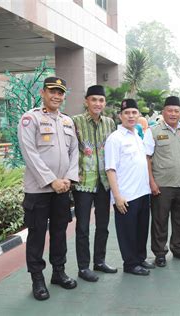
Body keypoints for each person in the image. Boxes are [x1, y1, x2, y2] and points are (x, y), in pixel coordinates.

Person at [18, 77, 79, 301]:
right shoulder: (30, 118)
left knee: (60, 232)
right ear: (43, 92)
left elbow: (75, 152)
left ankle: (58, 272)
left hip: (62, 189)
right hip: (38, 190)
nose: (57, 96)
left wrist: (69, 179)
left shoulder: (67, 121)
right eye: (52, 91)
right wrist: (51, 180)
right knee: (36, 235)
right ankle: (37, 278)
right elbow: (29, 153)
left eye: (60, 93)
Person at [72, 85, 117, 283]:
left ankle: (99, 261)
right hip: (84, 182)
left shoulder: (110, 123)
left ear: (104, 103)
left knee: (103, 225)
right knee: (82, 227)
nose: (97, 103)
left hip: (104, 182)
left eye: (101, 100)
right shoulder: (75, 122)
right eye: (93, 100)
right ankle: (83, 267)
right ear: (86, 101)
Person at [105, 99, 154, 276]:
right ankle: (130, 264)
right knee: (128, 233)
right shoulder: (114, 139)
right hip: (126, 196)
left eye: (134, 112)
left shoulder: (137, 136)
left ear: (138, 115)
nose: (131, 116)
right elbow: (110, 169)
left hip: (142, 192)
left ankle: (140, 258)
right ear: (120, 116)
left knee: (141, 230)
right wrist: (117, 196)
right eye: (127, 113)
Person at [144, 96, 180, 267]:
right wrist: (151, 182)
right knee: (160, 220)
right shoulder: (153, 131)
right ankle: (159, 252)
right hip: (162, 185)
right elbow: (147, 159)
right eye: (170, 110)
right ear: (163, 112)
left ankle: (179, 249)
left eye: (176, 111)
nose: (173, 114)